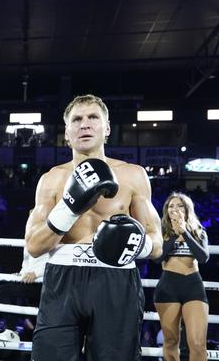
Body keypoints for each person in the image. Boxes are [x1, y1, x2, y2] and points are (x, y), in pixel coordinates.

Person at [24, 94, 164, 361]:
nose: (84, 125)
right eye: (76, 119)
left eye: (92, 118)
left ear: (107, 128)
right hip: (62, 279)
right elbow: (33, 245)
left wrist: (135, 242)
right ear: (66, 132)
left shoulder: (133, 175)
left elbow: (157, 243)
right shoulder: (51, 180)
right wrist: (69, 208)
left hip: (116, 280)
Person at [154, 192, 209, 361]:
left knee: (198, 344)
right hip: (168, 286)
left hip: (193, 286)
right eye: (171, 206)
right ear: (166, 210)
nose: (175, 209)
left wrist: (185, 233)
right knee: (170, 341)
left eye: (179, 206)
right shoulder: (160, 231)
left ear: (187, 210)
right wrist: (173, 236)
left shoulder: (199, 231)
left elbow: (203, 258)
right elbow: (157, 258)